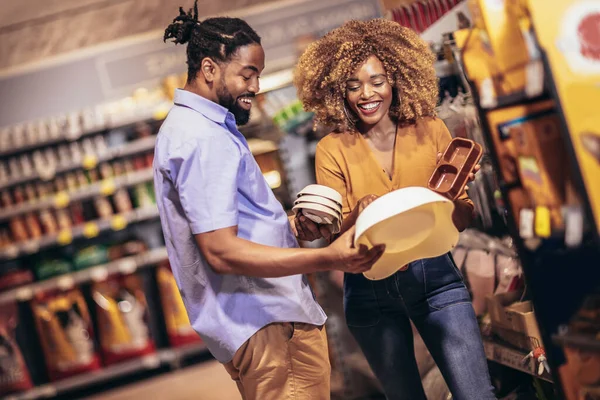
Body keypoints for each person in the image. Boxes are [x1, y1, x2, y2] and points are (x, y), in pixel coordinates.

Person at [153, 4, 385, 400]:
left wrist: (293, 228)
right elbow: (222, 252)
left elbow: (232, 228)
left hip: (263, 321)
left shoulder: (202, 129)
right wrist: (332, 258)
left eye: (257, 75)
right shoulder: (201, 138)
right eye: (247, 74)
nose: (256, 87)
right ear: (209, 69)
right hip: (268, 322)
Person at [294, 19, 496, 400]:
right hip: (369, 288)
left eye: (377, 81)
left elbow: (463, 218)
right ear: (339, 91)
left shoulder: (432, 129)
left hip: (434, 275)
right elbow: (336, 234)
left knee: (476, 395)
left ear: (397, 78)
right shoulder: (332, 149)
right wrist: (360, 213)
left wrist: (451, 200)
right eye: (353, 85)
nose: (366, 94)